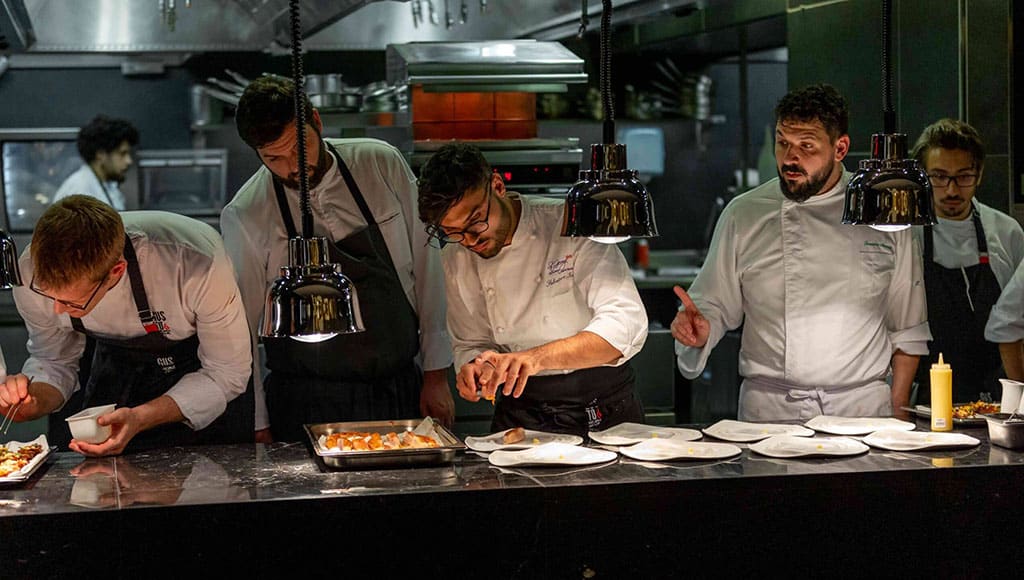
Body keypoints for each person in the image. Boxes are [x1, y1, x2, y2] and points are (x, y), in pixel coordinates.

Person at [672, 84, 929, 421]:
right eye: (783, 143)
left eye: (806, 145)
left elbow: (908, 328)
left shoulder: (882, 213)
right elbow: (713, 304)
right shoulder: (744, 214)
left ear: (840, 148)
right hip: (771, 410)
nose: (790, 158)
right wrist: (699, 327)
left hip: (861, 409)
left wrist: (898, 411)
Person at [221, 75, 454, 442]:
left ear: (316, 121)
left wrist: (436, 375)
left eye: (299, 148)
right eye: (273, 158)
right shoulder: (247, 213)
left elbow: (429, 269)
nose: (292, 167)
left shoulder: (380, 164)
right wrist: (258, 422)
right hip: (304, 402)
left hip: (397, 389)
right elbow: (242, 332)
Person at [416, 142, 649, 437]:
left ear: (497, 186)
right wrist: (478, 367)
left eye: (476, 222)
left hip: (602, 406)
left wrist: (534, 358)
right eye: (453, 233)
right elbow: (470, 341)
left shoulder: (568, 224)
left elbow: (626, 325)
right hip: (521, 413)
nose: (470, 240)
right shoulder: (455, 257)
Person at [0, 195, 253, 456]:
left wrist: (140, 418)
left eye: (71, 303)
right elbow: (54, 360)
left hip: (201, 385)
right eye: (48, 295)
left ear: (116, 271)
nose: (57, 310)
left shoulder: (195, 264)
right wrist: (33, 401)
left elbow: (226, 373)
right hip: (116, 374)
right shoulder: (28, 272)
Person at [910, 118, 1024, 403]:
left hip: (997, 399)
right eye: (939, 177)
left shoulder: (1006, 232)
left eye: (963, 177)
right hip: (927, 398)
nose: (951, 190)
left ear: (979, 173)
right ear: (922, 176)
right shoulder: (907, 234)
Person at [53, 115, 139, 210]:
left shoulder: (109, 186)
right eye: (122, 153)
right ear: (100, 154)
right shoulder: (80, 190)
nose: (129, 161)